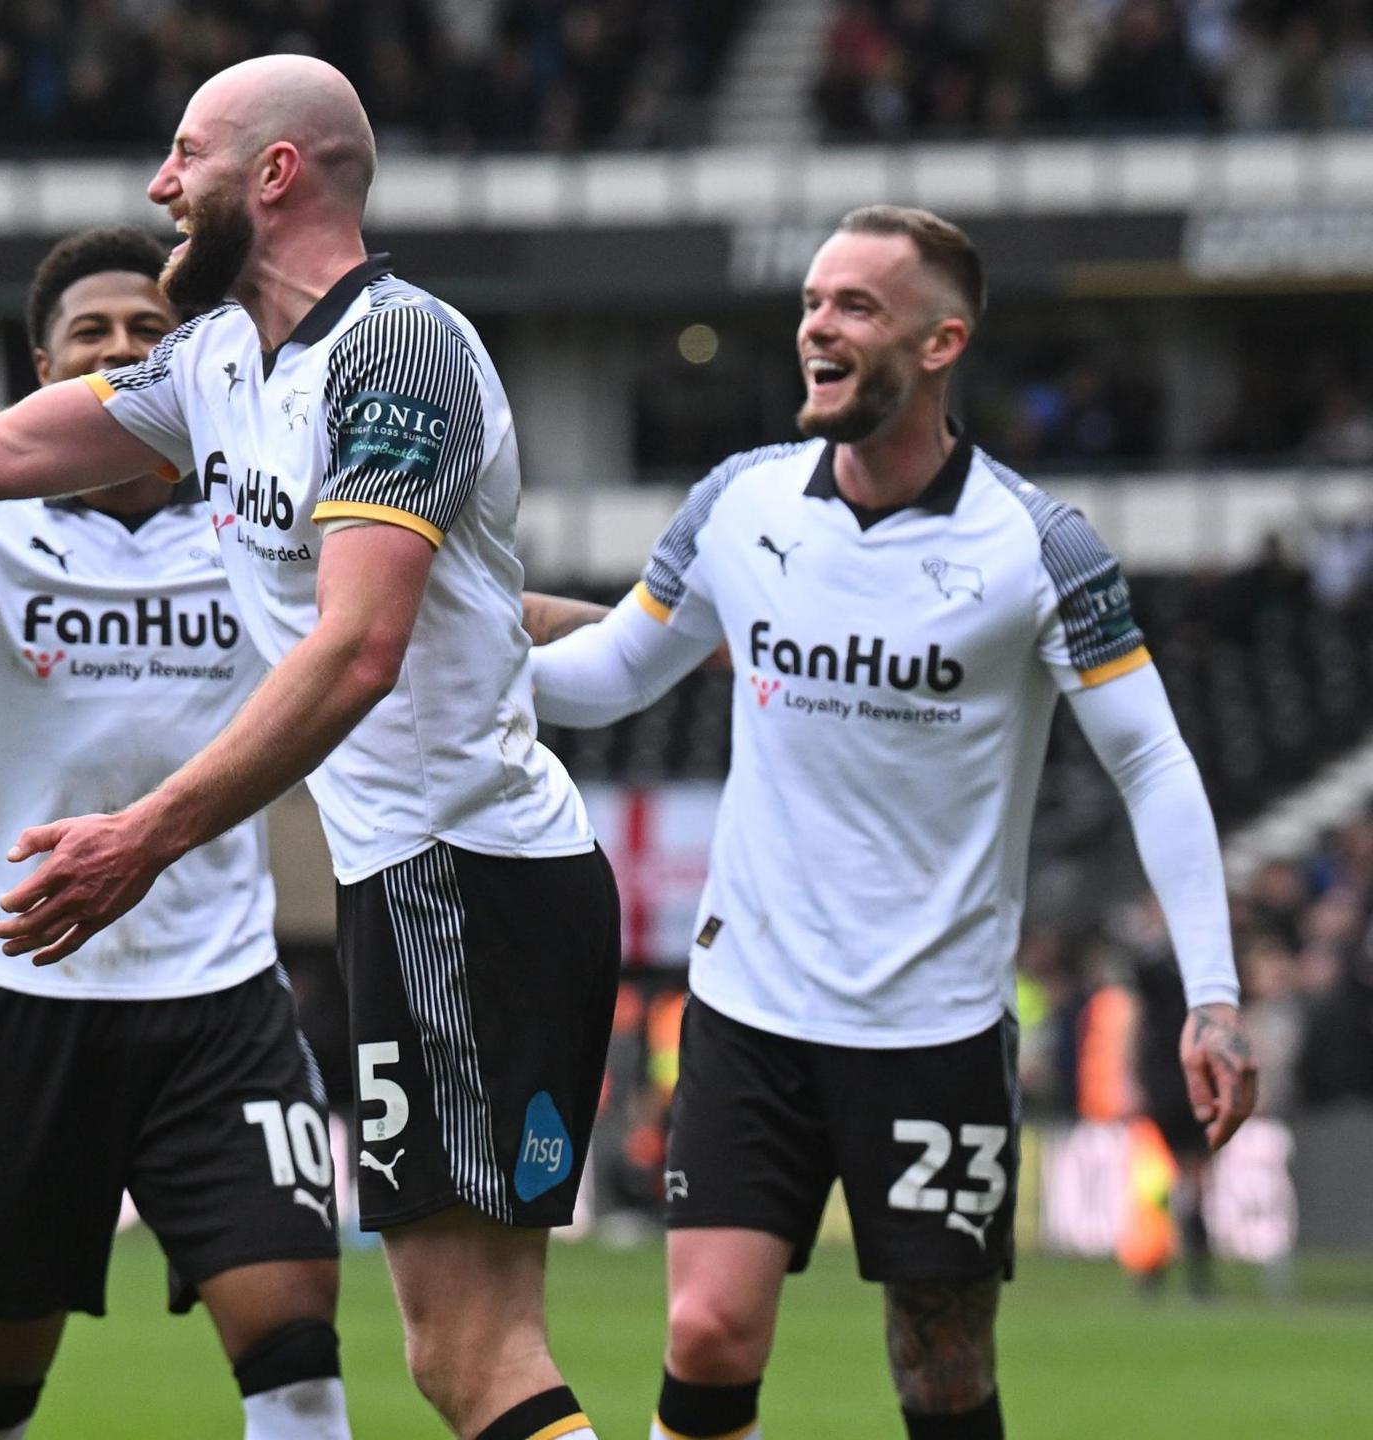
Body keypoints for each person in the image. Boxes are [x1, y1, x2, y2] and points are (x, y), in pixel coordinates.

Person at [0, 55, 617, 1440]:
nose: (161, 186)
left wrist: (145, 834)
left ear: (276, 174)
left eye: (186, 156)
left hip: (466, 878)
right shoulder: (217, 362)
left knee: (472, 1357)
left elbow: (359, 652)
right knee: (458, 1354)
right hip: (401, 885)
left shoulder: (397, 349)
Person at [524, 206, 1259, 1440]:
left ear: (939, 342)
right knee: (706, 1333)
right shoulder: (742, 503)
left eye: (856, 306)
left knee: (942, 1373)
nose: (818, 324)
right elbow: (610, 674)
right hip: (749, 1004)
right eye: (814, 300)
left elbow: (1151, 761)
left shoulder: (1038, 547)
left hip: (934, 1027)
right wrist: (425, 644)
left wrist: (1215, 994)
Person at [0, 228, 347, 1440]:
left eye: (147, 334)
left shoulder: (261, 516)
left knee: (297, 1347)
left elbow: (443, 610)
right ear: (47, 365)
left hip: (219, 996)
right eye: (90, 334)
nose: (120, 350)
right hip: (22, 990)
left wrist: (659, 630)